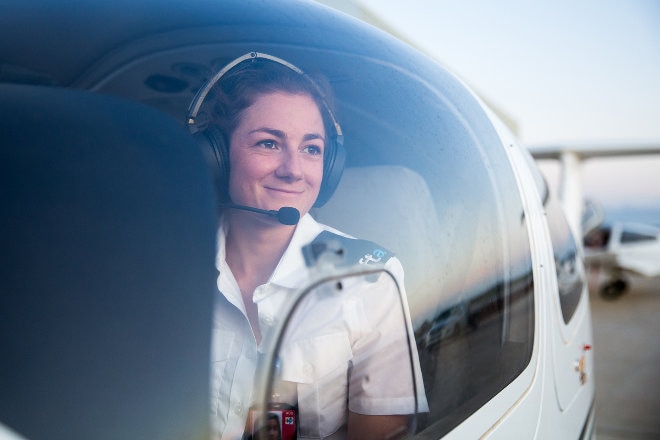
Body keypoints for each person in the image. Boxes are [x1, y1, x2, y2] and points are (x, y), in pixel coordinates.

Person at [204, 53, 427, 439]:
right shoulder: (168, 262)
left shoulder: (369, 277)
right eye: (269, 143)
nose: (293, 169)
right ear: (217, 157)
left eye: (311, 149)